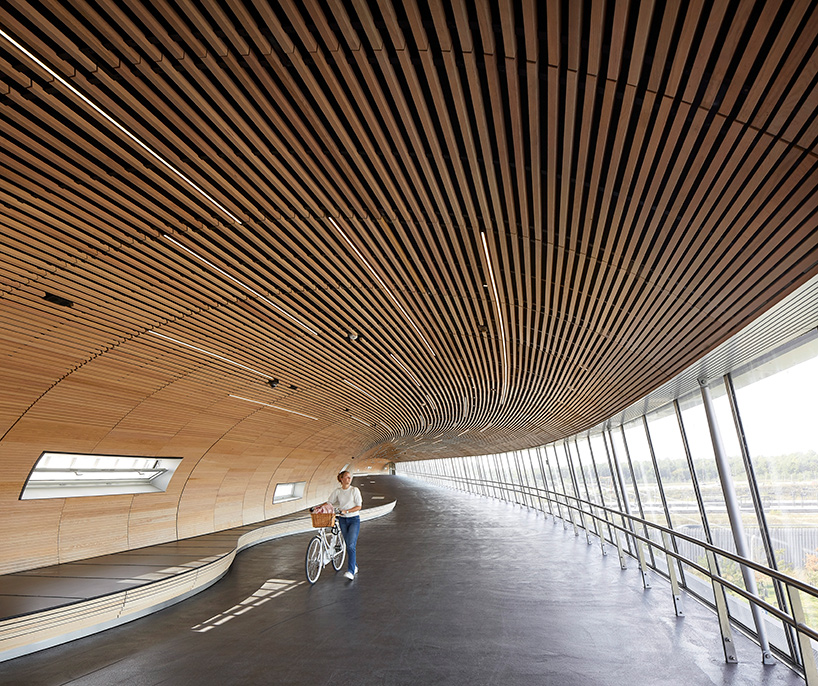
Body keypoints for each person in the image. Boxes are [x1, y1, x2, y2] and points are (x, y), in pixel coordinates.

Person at [323, 470, 362, 579]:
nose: (349, 479)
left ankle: (351, 571)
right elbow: (329, 502)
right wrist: (320, 508)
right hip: (342, 520)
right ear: (341, 479)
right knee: (348, 545)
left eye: (350, 477)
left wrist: (347, 511)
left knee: (350, 545)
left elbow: (359, 506)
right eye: (346, 477)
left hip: (354, 520)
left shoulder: (355, 490)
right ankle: (354, 566)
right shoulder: (338, 491)